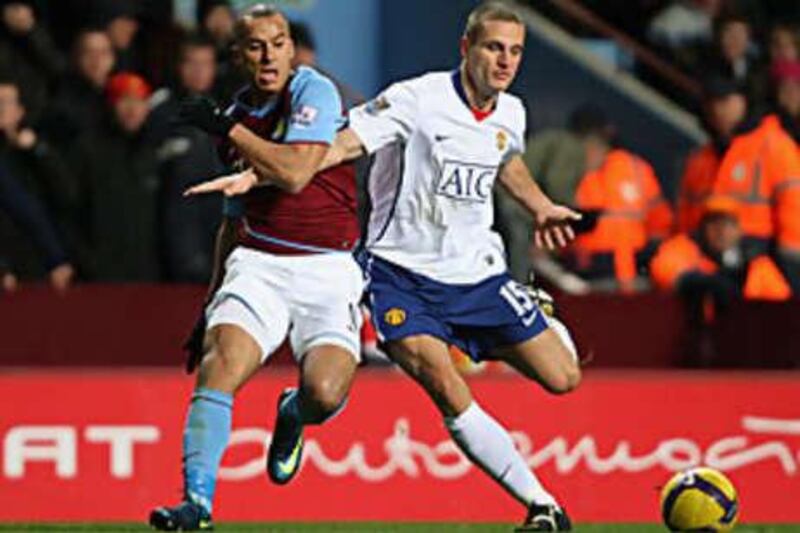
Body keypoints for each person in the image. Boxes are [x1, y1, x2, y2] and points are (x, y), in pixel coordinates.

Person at [191, 3, 581, 530]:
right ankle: (542, 506)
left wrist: (540, 206)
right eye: (494, 48)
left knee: (564, 378)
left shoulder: (512, 112)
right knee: (444, 384)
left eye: (514, 51)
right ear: (466, 49)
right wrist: (261, 176)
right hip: (400, 275)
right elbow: (341, 146)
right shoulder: (414, 99)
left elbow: (505, 158)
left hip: (477, 274)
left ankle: (530, 309)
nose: (505, 61)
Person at [149, 5, 362, 531]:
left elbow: (293, 174)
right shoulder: (236, 117)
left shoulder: (313, 91)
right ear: (238, 55)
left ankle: (294, 413)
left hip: (328, 267)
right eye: (255, 46)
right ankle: (197, 505)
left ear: (292, 49)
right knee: (219, 365)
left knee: (327, 392)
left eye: (278, 42)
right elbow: (233, 218)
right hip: (260, 263)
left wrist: (228, 129)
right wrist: (208, 305)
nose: (268, 54)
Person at [677, 76, 749, 233]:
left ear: (741, 102)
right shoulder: (699, 158)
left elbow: (792, 200)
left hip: (756, 244)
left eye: (724, 102)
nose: (717, 110)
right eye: (711, 103)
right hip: (702, 245)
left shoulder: (770, 145)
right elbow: (685, 211)